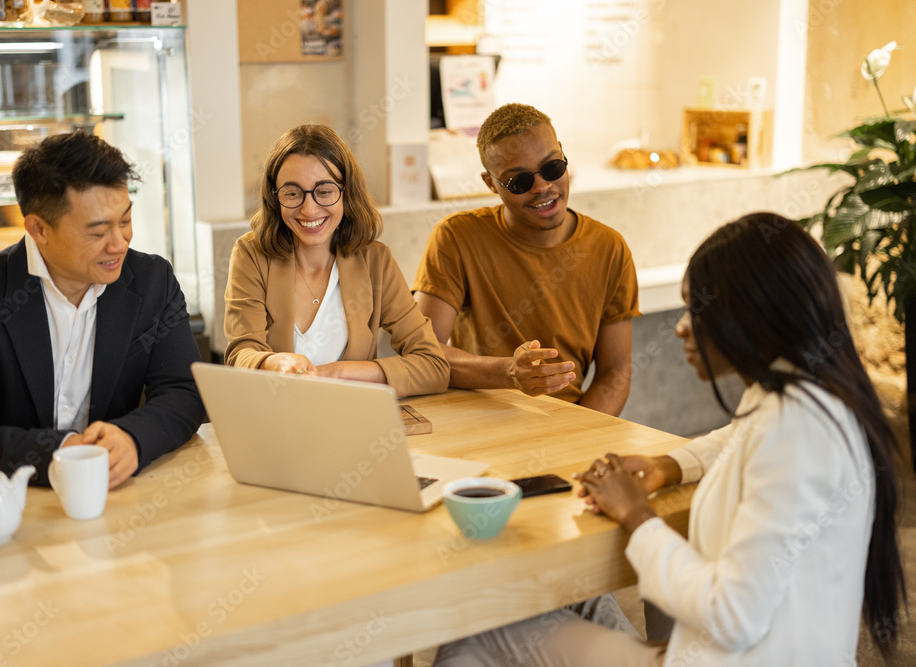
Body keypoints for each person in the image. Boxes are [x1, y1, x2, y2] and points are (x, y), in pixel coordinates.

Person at [433, 212, 906, 666]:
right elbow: (739, 439)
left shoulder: (797, 433)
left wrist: (636, 515)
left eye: (697, 309)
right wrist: (667, 466)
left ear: (753, 316)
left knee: (475, 635)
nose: (682, 326)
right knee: (560, 601)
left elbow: (732, 616)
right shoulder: (808, 396)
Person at [0, 131, 206, 489]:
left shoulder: (152, 282)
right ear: (39, 229)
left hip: (118, 497)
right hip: (11, 508)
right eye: (98, 231)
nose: (120, 243)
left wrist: (132, 438)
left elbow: (185, 390)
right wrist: (63, 450)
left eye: (125, 221)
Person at [413, 102, 640, 416]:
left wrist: (578, 436)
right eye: (519, 182)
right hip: (476, 420)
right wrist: (508, 373)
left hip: (569, 422)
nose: (543, 187)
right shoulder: (456, 238)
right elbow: (422, 352)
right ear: (490, 183)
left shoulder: (610, 248)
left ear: (562, 154)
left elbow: (615, 372)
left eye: (552, 168)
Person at [225, 124, 448, 398]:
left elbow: (433, 366)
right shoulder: (252, 255)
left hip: (351, 424)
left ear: (346, 192)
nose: (309, 209)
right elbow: (239, 355)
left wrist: (340, 373)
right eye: (292, 193)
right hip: (276, 423)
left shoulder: (375, 261)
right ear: (275, 199)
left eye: (325, 191)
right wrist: (275, 362)